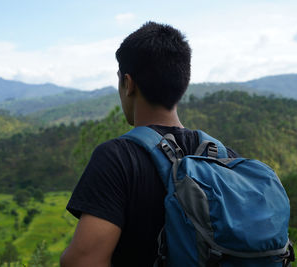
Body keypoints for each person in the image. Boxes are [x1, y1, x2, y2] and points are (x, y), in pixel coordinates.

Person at [60, 21, 238, 267]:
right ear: (182, 84)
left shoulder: (117, 158)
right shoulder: (224, 157)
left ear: (128, 83)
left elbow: (82, 261)